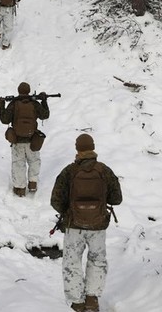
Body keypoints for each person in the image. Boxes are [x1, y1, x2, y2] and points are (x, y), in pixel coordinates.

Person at [50, 134, 122, 312]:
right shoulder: (104, 170)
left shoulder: (69, 171)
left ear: (77, 149)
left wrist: (69, 211)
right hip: (98, 226)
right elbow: (117, 198)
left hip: (74, 226)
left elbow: (55, 200)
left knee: (71, 262)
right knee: (97, 260)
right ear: (93, 147)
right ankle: (92, 299)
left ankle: (77, 302)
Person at [0, 82, 49, 197]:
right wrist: (44, 101)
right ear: (29, 90)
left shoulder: (14, 104)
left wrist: (1, 106)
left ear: (19, 91)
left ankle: (20, 189)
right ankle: (32, 183)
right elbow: (45, 115)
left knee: (18, 164)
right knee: (34, 162)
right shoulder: (34, 104)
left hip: (17, 141)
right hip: (33, 140)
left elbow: (5, 120)